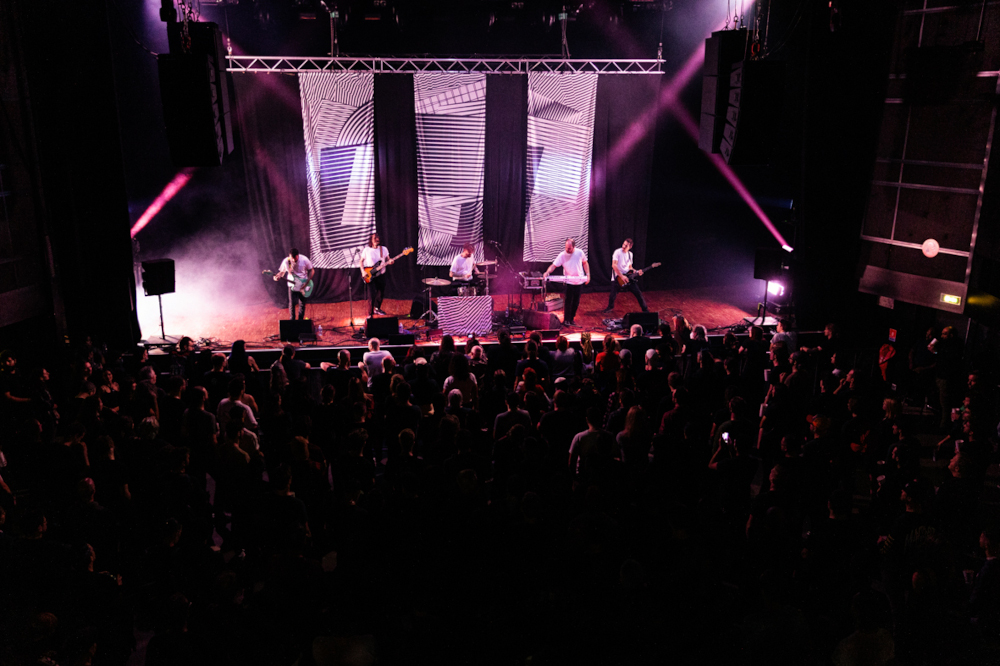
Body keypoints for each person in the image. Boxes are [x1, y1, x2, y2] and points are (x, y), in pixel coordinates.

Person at [542, 237, 590, 327]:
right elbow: (553, 265)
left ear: (574, 247)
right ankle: (566, 320)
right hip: (568, 282)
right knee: (568, 301)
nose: (567, 250)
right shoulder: (562, 255)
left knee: (576, 302)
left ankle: (571, 319)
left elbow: (585, 263)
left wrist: (588, 275)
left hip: (579, 282)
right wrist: (547, 272)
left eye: (569, 248)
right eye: (566, 247)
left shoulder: (580, 252)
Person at [602, 238, 649, 313]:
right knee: (613, 295)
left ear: (630, 247)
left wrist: (637, 271)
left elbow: (630, 267)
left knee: (638, 293)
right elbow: (614, 265)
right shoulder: (617, 252)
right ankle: (610, 307)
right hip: (618, 277)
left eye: (626, 245)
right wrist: (621, 276)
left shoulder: (630, 254)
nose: (623, 246)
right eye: (623, 244)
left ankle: (645, 310)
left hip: (628, 277)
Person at [272, 247, 315, 320]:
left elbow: (312, 270)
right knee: (291, 303)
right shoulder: (286, 261)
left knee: (302, 303)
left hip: (302, 284)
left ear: (298, 256)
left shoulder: (304, 259)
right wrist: (277, 277)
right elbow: (282, 272)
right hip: (292, 284)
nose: (293, 260)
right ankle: (292, 320)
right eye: (291, 258)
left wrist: (307, 282)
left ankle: (300, 320)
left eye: (294, 259)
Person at [359, 233, 392, 316]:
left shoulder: (383, 249)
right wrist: (363, 271)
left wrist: (390, 261)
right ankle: (370, 313)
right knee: (371, 295)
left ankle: (377, 308)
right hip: (370, 274)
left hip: (381, 274)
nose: (377, 239)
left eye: (378, 237)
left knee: (380, 293)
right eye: (375, 238)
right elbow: (361, 261)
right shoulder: (366, 250)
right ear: (371, 240)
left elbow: (388, 259)